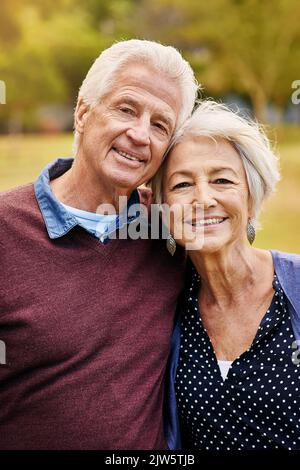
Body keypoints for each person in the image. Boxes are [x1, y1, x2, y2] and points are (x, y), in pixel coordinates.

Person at [0, 39, 199, 450]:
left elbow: (239, 243)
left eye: (160, 125)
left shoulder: (170, 229)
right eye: (126, 109)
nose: (140, 134)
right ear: (83, 112)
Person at [150, 100, 300, 450]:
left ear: (251, 196)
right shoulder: (169, 310)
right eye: (182, 185)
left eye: (222, 180)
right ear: (163, 209)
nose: (203, 198)